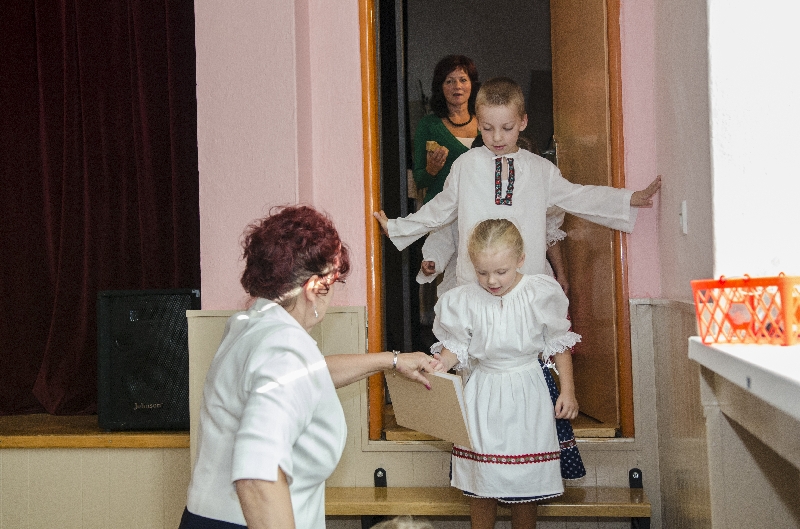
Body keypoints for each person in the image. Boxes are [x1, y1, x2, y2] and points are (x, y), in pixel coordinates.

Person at [179, 205, 440, 529]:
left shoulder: (251, 325)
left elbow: (303, 377)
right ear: (314, 288)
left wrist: (392, 361)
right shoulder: (285, 348)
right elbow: (257, 476)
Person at [374, 76, 662, 288]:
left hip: (526, 279)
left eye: (507, 127)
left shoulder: (540, 170)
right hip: (477, 280)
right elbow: (440, 209)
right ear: (479, 124)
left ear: (523, 122)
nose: (497, 137)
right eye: (488, 128)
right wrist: (398, 227)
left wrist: (628, 199)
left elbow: (578, 196)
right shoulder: (466, 165)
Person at [431, 219, 582, 528]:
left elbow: (559, 345)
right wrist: (440, 365)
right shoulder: (465, 300)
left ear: (520, 259)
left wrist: (568, 391)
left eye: (501, 271)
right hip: (484, 393)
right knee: (482, 483)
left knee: (526, 486)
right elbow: (457, 346)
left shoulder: (539, 292)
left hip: (528, 392)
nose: (492, 281)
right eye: (482, 272)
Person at [413, 55, 480, 204]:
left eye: (463, 80)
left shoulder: (486, 123)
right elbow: (419, 180)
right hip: (440, 212)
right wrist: (431, 170)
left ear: (472, 84)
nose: (457, 86)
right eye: (449, 81)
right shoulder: (428, 125)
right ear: (440, 87)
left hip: (478, 210)